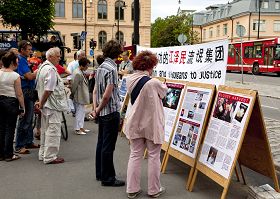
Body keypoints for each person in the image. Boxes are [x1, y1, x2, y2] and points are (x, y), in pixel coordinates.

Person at [124, 50, 168, 198]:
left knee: (135, 155)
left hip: (135, 123)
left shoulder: (130, 79)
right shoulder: (154, 82)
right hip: (151, 124)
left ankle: (132, 189)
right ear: (150, 66)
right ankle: (154, 190)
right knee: (154, 156)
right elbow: (164, 92)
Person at [90, 40, 125, 187]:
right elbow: (107, 95)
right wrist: (97, 109)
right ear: (117, 53)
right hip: (110, 111)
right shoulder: (112, 68)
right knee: (108, 146)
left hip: (102, 111)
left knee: (101, 143)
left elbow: (96, 91)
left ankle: (100, 173)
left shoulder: (101, 67)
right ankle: (108, 177)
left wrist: (95, 109)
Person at [35, 47, 68, 164]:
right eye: (57, 56)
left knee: (45, 130)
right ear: (50, 57)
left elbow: (41, 87)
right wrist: (42, 103)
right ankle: (50, 156)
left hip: (46, 105)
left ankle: (43, 154)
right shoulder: (51, 70)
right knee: (53, 131)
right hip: (52, 105)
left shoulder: (42, 68)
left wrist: (40, 103)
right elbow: (49, 90)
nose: (59, 58)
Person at [15, 40, 39, 155]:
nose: (31, 51)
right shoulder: (21, 61)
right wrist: (38, 72)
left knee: (30, 118)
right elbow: (28, 76)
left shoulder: (24, 60)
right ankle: (19, 145)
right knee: (25, 119)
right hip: (26, 91)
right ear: (22, 50)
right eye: (28, 49)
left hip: (28, 91)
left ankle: (28, 141)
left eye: (31, 49)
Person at [0, 51, 25, 161]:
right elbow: (19, 94)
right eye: (16, 61)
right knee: (10, 129)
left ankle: (1, 154)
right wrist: (23, 107)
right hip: (11, 102)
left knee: (1, 128)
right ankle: (8, 154)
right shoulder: (15, 76)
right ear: (12, 62)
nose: (18, 64)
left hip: (0, 101)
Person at [71, 57, 91, 135]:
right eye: (86, 66)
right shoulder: (78, 73)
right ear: (82, 65)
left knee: (82, 112)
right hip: (79, 96)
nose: (87, 67)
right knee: (79, 112)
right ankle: (77, 128)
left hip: (81, 95)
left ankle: (81, 127)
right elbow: (74, 86)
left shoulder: (80, 72)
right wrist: (72, 95)